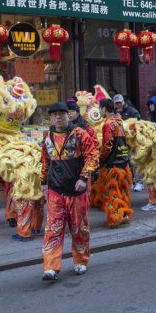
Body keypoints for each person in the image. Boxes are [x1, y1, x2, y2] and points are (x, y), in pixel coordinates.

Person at [40, 102, 99, 281]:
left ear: (68, 115)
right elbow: (44, 160)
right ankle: (50, 267)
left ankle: (80, 260)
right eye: (54, 114)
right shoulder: (47, 136)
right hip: (55, 190)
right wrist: (43, 182)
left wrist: (83, 178)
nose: (58, 117)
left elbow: (93, 155)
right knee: (53, 228)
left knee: (79, 228)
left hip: (76, 190)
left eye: (61, 113)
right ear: (50, 118)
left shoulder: (79, 134)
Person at [97, 98, 133, 227]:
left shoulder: (108, 123)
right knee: (122, 191)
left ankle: (115, 217)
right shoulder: (120, 121)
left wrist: (100, 159)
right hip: (123, 162)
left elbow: (107, 145)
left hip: (112, 164)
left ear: (105, 109)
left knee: (111, 192)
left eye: (100, 108)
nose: (99, 111)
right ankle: (124, 215)